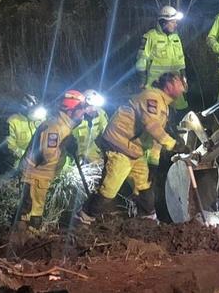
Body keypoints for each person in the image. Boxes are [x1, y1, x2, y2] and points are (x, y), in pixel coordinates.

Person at [80, 72, 190, 221]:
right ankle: (84, 217)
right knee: (109, 190)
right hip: (120, 146)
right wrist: (174, 144)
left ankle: (148, 220)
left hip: (134, 150)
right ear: (168, 85)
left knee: (144, 186)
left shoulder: (163, 105)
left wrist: (153, 163)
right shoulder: (151, 97)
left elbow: (154, 139)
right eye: (180, 84)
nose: (183, 88)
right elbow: (152, 126)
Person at [15, 90, 94, 231]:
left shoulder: (65, 125)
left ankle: (30, 233)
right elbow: (48, 154)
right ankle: (21, 236)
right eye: (81, 108)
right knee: (29, 211)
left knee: (35, 209)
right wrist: (65, 144)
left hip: (41, 175)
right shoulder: (55, 127)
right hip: (34, 175)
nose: (84, 111)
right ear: (70, 110)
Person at [136, 5, 188, 111]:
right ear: (164, 22)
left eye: (175, 22)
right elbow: (141, 61)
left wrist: (184, 78)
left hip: (174, 86)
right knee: (157, 114)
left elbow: (181, 61)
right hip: (156, 85)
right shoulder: (150, 37)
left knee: (180, 111)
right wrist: (142, 82)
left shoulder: (176, 38)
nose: (175, 24)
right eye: (172, 22)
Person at [69, 89, 108, 163]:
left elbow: (106, 132)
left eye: (96, 106)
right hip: (76, 158)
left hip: (95, 158)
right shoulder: (76, 116)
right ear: (84, 105)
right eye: (91, 106)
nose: (94, 109)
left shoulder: (101, 114)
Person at [6, 95, 47, 164]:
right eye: (31, 108)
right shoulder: (13, 121)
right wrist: (28, 156)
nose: (33, 110)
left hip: (43, 156)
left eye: (35, 107)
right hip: (23, 161)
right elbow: (11, 146)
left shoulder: (42, 118)